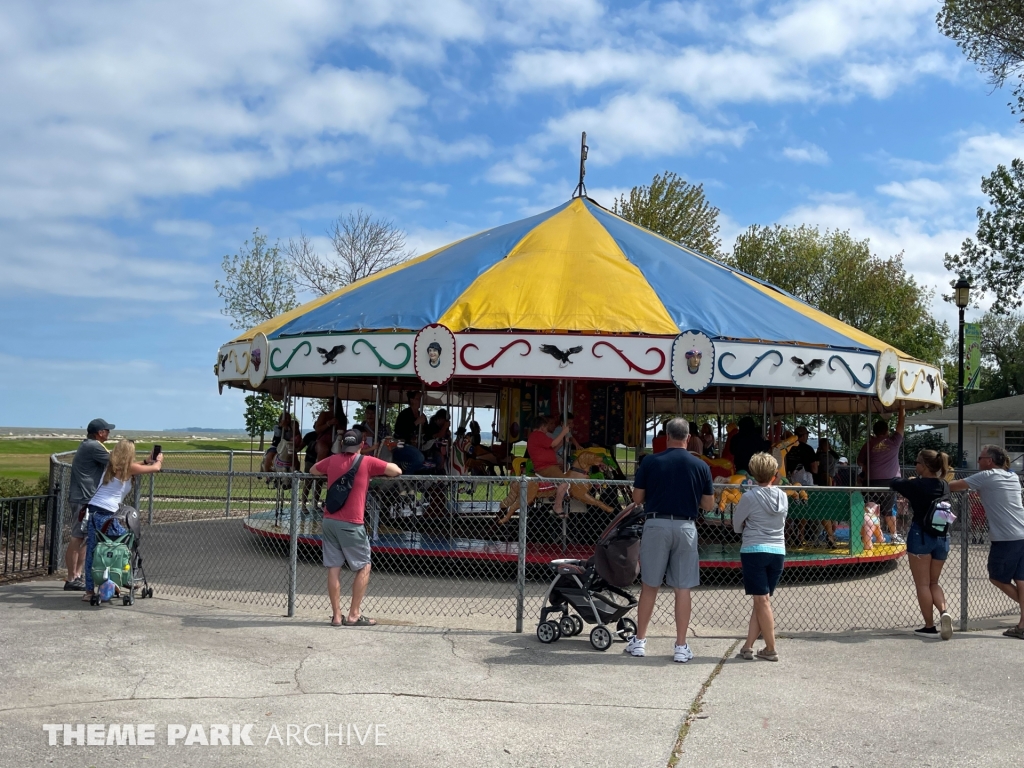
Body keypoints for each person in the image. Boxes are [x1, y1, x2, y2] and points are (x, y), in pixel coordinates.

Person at [626, 418, 714, 663]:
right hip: (686, 525)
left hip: (656, 524)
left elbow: (637, 497)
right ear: (688, 438)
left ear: (666, 436)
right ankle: (681, 645)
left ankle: (640, 641)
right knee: (682, 587)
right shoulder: (700, 466)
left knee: (650, 585)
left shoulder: (651, 462)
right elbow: (708, 504)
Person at [310, 430, 402, 627]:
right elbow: (396, 471)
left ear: (343, 445)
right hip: (352, 522)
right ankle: (354, 614)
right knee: (364, 566)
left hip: (329, 520)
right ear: (361, 445)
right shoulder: (367, 462)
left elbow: (313, 470)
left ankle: (336, 616)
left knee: (334, 567)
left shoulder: (332, 460)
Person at [950, 445, 1024, 639]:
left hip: (1007, 537)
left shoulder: (988, 475)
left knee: (997, 577)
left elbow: (953, 486)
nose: (978, 461)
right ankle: (1023, 625)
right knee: (1021, 579)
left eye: (981, 458)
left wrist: (929, 481)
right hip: (1020, 533)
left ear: (990, 461)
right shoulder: (1012, 476)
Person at [82, 439, 163, 601]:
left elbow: (133, 467)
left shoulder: (112, 467)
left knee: (94, 548)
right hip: (108, 514)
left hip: (94, 511)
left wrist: (146, 461)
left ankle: (90, 590)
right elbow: (155, 468)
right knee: (126, 542)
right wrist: (158, 460)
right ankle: (123, 577)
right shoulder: (128, 469)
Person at [891, 450, 955, 640]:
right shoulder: (944, 484)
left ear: (924, 466)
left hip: (921, 536)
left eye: (917, 462)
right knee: (934, 582)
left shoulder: (916, 485)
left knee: (922, 585)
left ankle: (929, 626)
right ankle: (944, 612)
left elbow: (894, 482)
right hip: (942, 537)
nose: (915, 465)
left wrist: (910, 480)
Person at [733, 452, 787, 662]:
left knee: (761, 600)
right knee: (761, 599)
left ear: (753, 475)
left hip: (754, 550)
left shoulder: (749, 496)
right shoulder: (782, 496)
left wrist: (749, 523)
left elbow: (737, 526)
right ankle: (748, 646)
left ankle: (771, 647)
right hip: (777, 551)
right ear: (775, 474)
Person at [63, 418, 113, 591]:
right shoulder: (93, 447)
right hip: (83, 498)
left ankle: (78, 575)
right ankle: (71, 578)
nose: (109, 433)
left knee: (85, 537)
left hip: (86, 498)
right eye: (107, 430)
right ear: (100, 433)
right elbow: (115, 463)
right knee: (77, 536)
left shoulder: (88, 445)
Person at [496, 414, 572, 524]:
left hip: (549, 466)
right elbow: (553, 443)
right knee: (565, 483)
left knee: (565, 481)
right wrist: (563, 432)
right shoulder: (538, 435)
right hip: (547, 468)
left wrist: (563, 440)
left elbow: (553, 449)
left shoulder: (536, 437)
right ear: (542, 427)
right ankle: (557, 507)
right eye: (546, 428)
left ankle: (561, 495)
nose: (547, 431)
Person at [857, 403, 906, 543]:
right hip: (890, 482)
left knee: (870, 509)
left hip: (871, 481)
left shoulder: (869, 444)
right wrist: (901, 409)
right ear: (887, 431)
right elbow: (901, 426)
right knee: (889, 510)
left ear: (875, 431)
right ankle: (894, 535)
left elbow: (860, 462)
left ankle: (867, 535)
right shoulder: (893, 441)